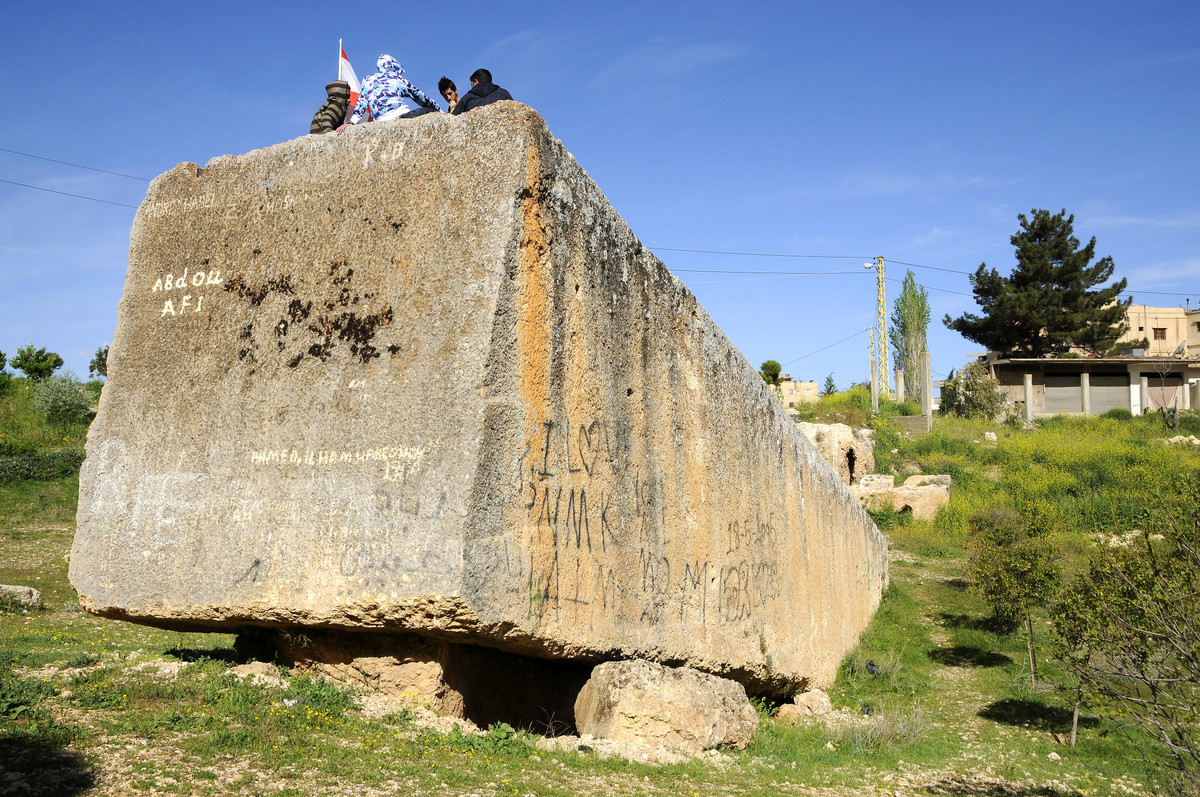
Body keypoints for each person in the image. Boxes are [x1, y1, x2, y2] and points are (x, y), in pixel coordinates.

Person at [342, 54, 439, 128]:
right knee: (433, 111)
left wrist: (351, 122)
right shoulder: (398, 78)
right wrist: (437, 108)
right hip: (402, 116)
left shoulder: (367, 80)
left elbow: (361, 103)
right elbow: (420, 97)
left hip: (380, 121)